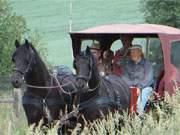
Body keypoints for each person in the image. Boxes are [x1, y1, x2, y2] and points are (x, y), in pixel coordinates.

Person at [122, 45, 154, 115]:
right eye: (131, 52)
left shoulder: (147, 64)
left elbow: (148, 79)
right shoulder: (128, 65)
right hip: (131, 87)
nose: (131, 54)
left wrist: (139, 87)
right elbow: (124, 79)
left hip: (146, 87)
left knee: (139, 104)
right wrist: (134, 85)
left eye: (134, 52)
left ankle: (139, 120)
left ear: (140, 53)